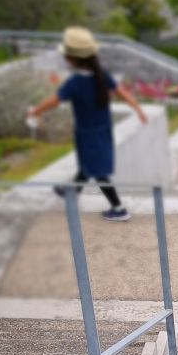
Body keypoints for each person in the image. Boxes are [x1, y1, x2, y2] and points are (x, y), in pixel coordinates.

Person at [28, 27, 146, 222]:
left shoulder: (75, 82)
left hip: (88, 133)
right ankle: (72, 190)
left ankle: (118, 208)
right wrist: (138, 109)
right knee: (87, 165)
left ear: (72, 58)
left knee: (99, 172)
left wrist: (35, 111)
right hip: (101, 130)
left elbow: (55, 100)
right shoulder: (101, 74)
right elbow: (121, 92)